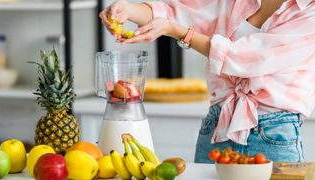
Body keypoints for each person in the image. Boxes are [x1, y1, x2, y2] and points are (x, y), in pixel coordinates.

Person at [100, 0, 315, 163]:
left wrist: (179, 32)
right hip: (217, 124)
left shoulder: (310, 12)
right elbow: (178, 10)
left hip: (273, 134)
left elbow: (249, 58)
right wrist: (128, 9)